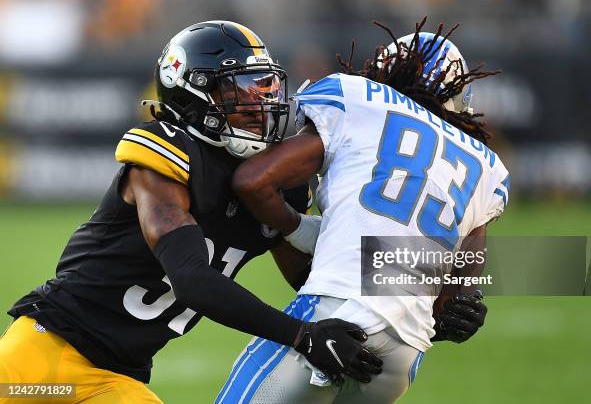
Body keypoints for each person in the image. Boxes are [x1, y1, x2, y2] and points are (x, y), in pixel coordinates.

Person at [0, 21, 381, 404]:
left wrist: (403, 296)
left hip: (116, 379)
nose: (260, 103)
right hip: (42, 354)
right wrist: (301, 335)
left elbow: (309, 278)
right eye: (241, 89)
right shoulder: (166, 156)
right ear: (194, 93)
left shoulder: (273, 181)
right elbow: (190, 277)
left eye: (265, 87)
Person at [217, 18, 509, 403]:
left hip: (334, 314)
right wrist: (462, 310)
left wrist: (296, 229)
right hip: (404, 354)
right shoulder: (486, 167)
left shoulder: (357, 98)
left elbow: (254, 182)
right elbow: (453, 298)